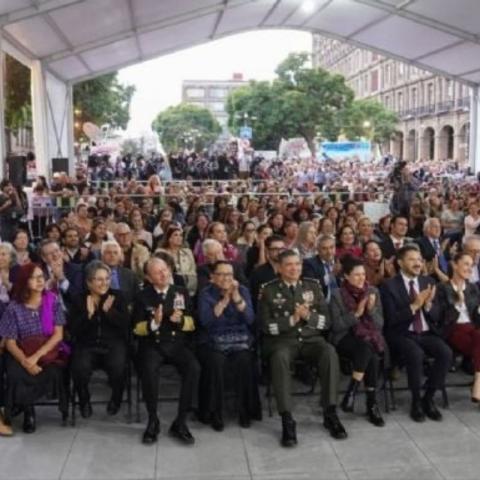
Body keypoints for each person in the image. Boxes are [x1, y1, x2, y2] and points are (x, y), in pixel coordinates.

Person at [258, 249, 347, 446]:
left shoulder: (312, 286)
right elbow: (266, 326)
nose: (294, 268)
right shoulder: (269, 290)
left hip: (311, 340)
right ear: (280, 268)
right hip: (283, 341)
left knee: (330, 352)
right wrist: (293, 319)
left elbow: (326, 323)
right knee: (279, 358)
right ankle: (287, 418)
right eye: (289, 264)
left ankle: (330, 412)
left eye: (297, 264)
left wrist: (308, 317)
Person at [381, 245, 452, 422]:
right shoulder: (389, 286)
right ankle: (416, 402)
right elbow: (391, 320)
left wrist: (428, 305)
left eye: (419, 260)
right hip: (402, 333)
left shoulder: (428, 282)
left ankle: (428, 397)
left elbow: (437, 315)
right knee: (415, 354)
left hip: (426, 332)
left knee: (446, 353)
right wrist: (415, 305)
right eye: (412, 259)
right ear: (400, 262)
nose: (417, 263)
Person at [133, 257, 200, 445]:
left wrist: (180, 321)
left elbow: (193, 323)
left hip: (177, 344)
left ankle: (180, 422)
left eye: (165, 269)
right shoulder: (142, 296)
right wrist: (154, 322)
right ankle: (153, 420)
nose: (163, 274)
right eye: (157, 272)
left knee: (193, 368)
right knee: (148, 369)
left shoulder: (181, 292)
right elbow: (136, 328)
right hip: (153, 345)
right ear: (149, 277)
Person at [0, 263, 67, 433]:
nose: (39, 281)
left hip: (46, 351)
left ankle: (22, 405)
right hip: (20, 351)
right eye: (34, 277)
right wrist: (25, 361)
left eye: (41, 277)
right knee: (16, 374)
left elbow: (58, 335)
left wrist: (35, 357)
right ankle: (29, 410)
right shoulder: (14, 308)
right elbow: (10, 342)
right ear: (24, 281)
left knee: (52, 371)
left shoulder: (53, 301)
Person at [197, 261, 261, 430]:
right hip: (213, 339)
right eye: (222, 274)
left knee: (245, 360)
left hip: (239, 340)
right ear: (213, 277)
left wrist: (237, 298)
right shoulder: (205, 294)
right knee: (215, 362)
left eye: (230, 275)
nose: (226, 278)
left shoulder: (243, 291)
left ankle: (245, 411)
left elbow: (250, 320)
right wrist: (225, 301)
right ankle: (214, 413)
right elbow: (206, 322)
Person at [329, 256, 385, 427]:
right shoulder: (337, 295)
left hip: (368, 337)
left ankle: (354, 392)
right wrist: (357, 314)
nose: (361, 278)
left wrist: (371, 310)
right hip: (345, 338)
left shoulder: (373, 292)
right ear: (346, 276)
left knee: (369, 351)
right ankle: (371, 403)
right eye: (356, 275)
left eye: (363, 274)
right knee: (368, 349)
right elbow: (336, 326)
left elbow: (380, 324)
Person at [70, 261, 129, 418]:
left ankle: (116, 399)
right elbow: (73, 330)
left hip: (113, 343)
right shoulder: (78, 299)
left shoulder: (118, 297)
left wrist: (109, 313)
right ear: (89, 282)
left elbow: (126, 325)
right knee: (79, 369)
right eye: (99, 279)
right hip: (87, 344)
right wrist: (88, 315)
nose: (105, 283)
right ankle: (84, 400)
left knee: (119, 368)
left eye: (107, 278)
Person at [435, 253, 480, 403]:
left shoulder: (473, 288)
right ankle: (478, 382)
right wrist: (458, 303)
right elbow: (441, 318)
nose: (470, 268)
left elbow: (476, 316)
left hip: (473, 329)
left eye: (471, 265)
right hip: (452, 328)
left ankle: (478, 381)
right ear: (454, 265)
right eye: (466, 264)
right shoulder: (442, 288)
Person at [157, 226, 197, 297]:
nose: (179, 237)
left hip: (187, 284)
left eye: (181, 235)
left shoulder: (187, 252)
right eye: (176, 235)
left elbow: (193, 271)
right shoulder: (161, 252)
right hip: (168, 284)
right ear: (169, 238)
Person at [249, 235, 285, 312]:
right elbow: (255, 299)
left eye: (282, 249)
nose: (279, 252)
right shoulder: (258, 273)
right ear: (267, 250)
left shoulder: (290, 270)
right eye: (275, 249)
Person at [100, 241, 140, 307]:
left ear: (119, 256)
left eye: (115, 253)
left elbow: (137, 298)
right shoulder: (95, 274)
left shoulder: (130, 275)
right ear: (102, 256)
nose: (112, 255)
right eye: (108, 253)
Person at [302, 235, 339, 302]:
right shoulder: (309, 264)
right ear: (318, 249)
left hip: (341, 303)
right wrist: (331, 275)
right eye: (324, 248)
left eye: (331, 247)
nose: (329, 252)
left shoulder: (340, 261)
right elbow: (312, 288)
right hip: (322, 302)